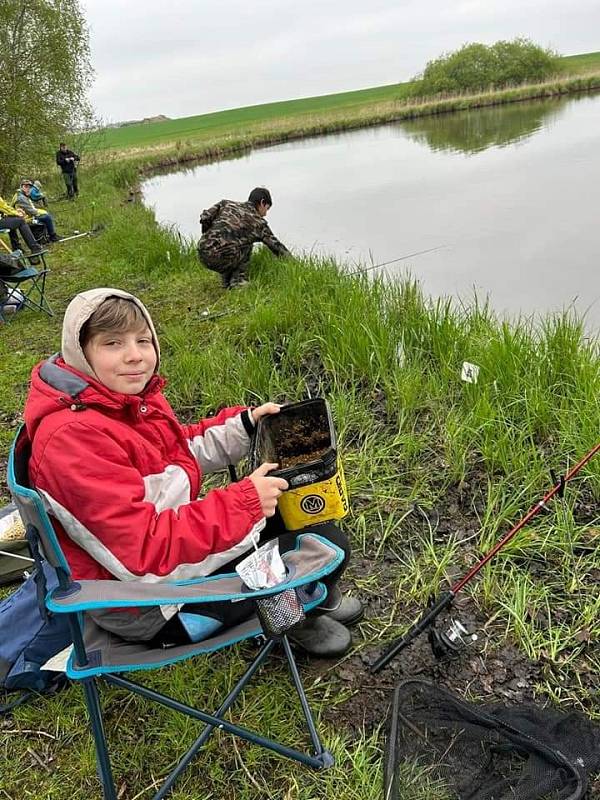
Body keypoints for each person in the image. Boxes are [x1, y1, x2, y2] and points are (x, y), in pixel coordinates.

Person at [23, 288, 362, 656]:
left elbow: (175, 454)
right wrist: (245, 502)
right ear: (80, 351)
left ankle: (318, 597)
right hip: (154, 605)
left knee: (298, 502)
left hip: (166, 564)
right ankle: (297, 619)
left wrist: (245, 427)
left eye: (143, 340)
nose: (135, 356)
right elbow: (141, 554)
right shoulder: (72, 441)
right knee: (324, 546)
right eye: (113, 343)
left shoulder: (112, 402)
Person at [197, 187, 290, 289]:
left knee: (234, 241)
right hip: (221, 258)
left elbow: (205, 217)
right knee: (247, 242)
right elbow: (277, 247)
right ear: (262, 202)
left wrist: (209, 236)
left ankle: (226, 281)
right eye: (266, 209)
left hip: (202, 253)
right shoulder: (258, 223)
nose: (265, 214)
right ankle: (238, 281)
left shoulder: (226, 204)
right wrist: (294, 263)